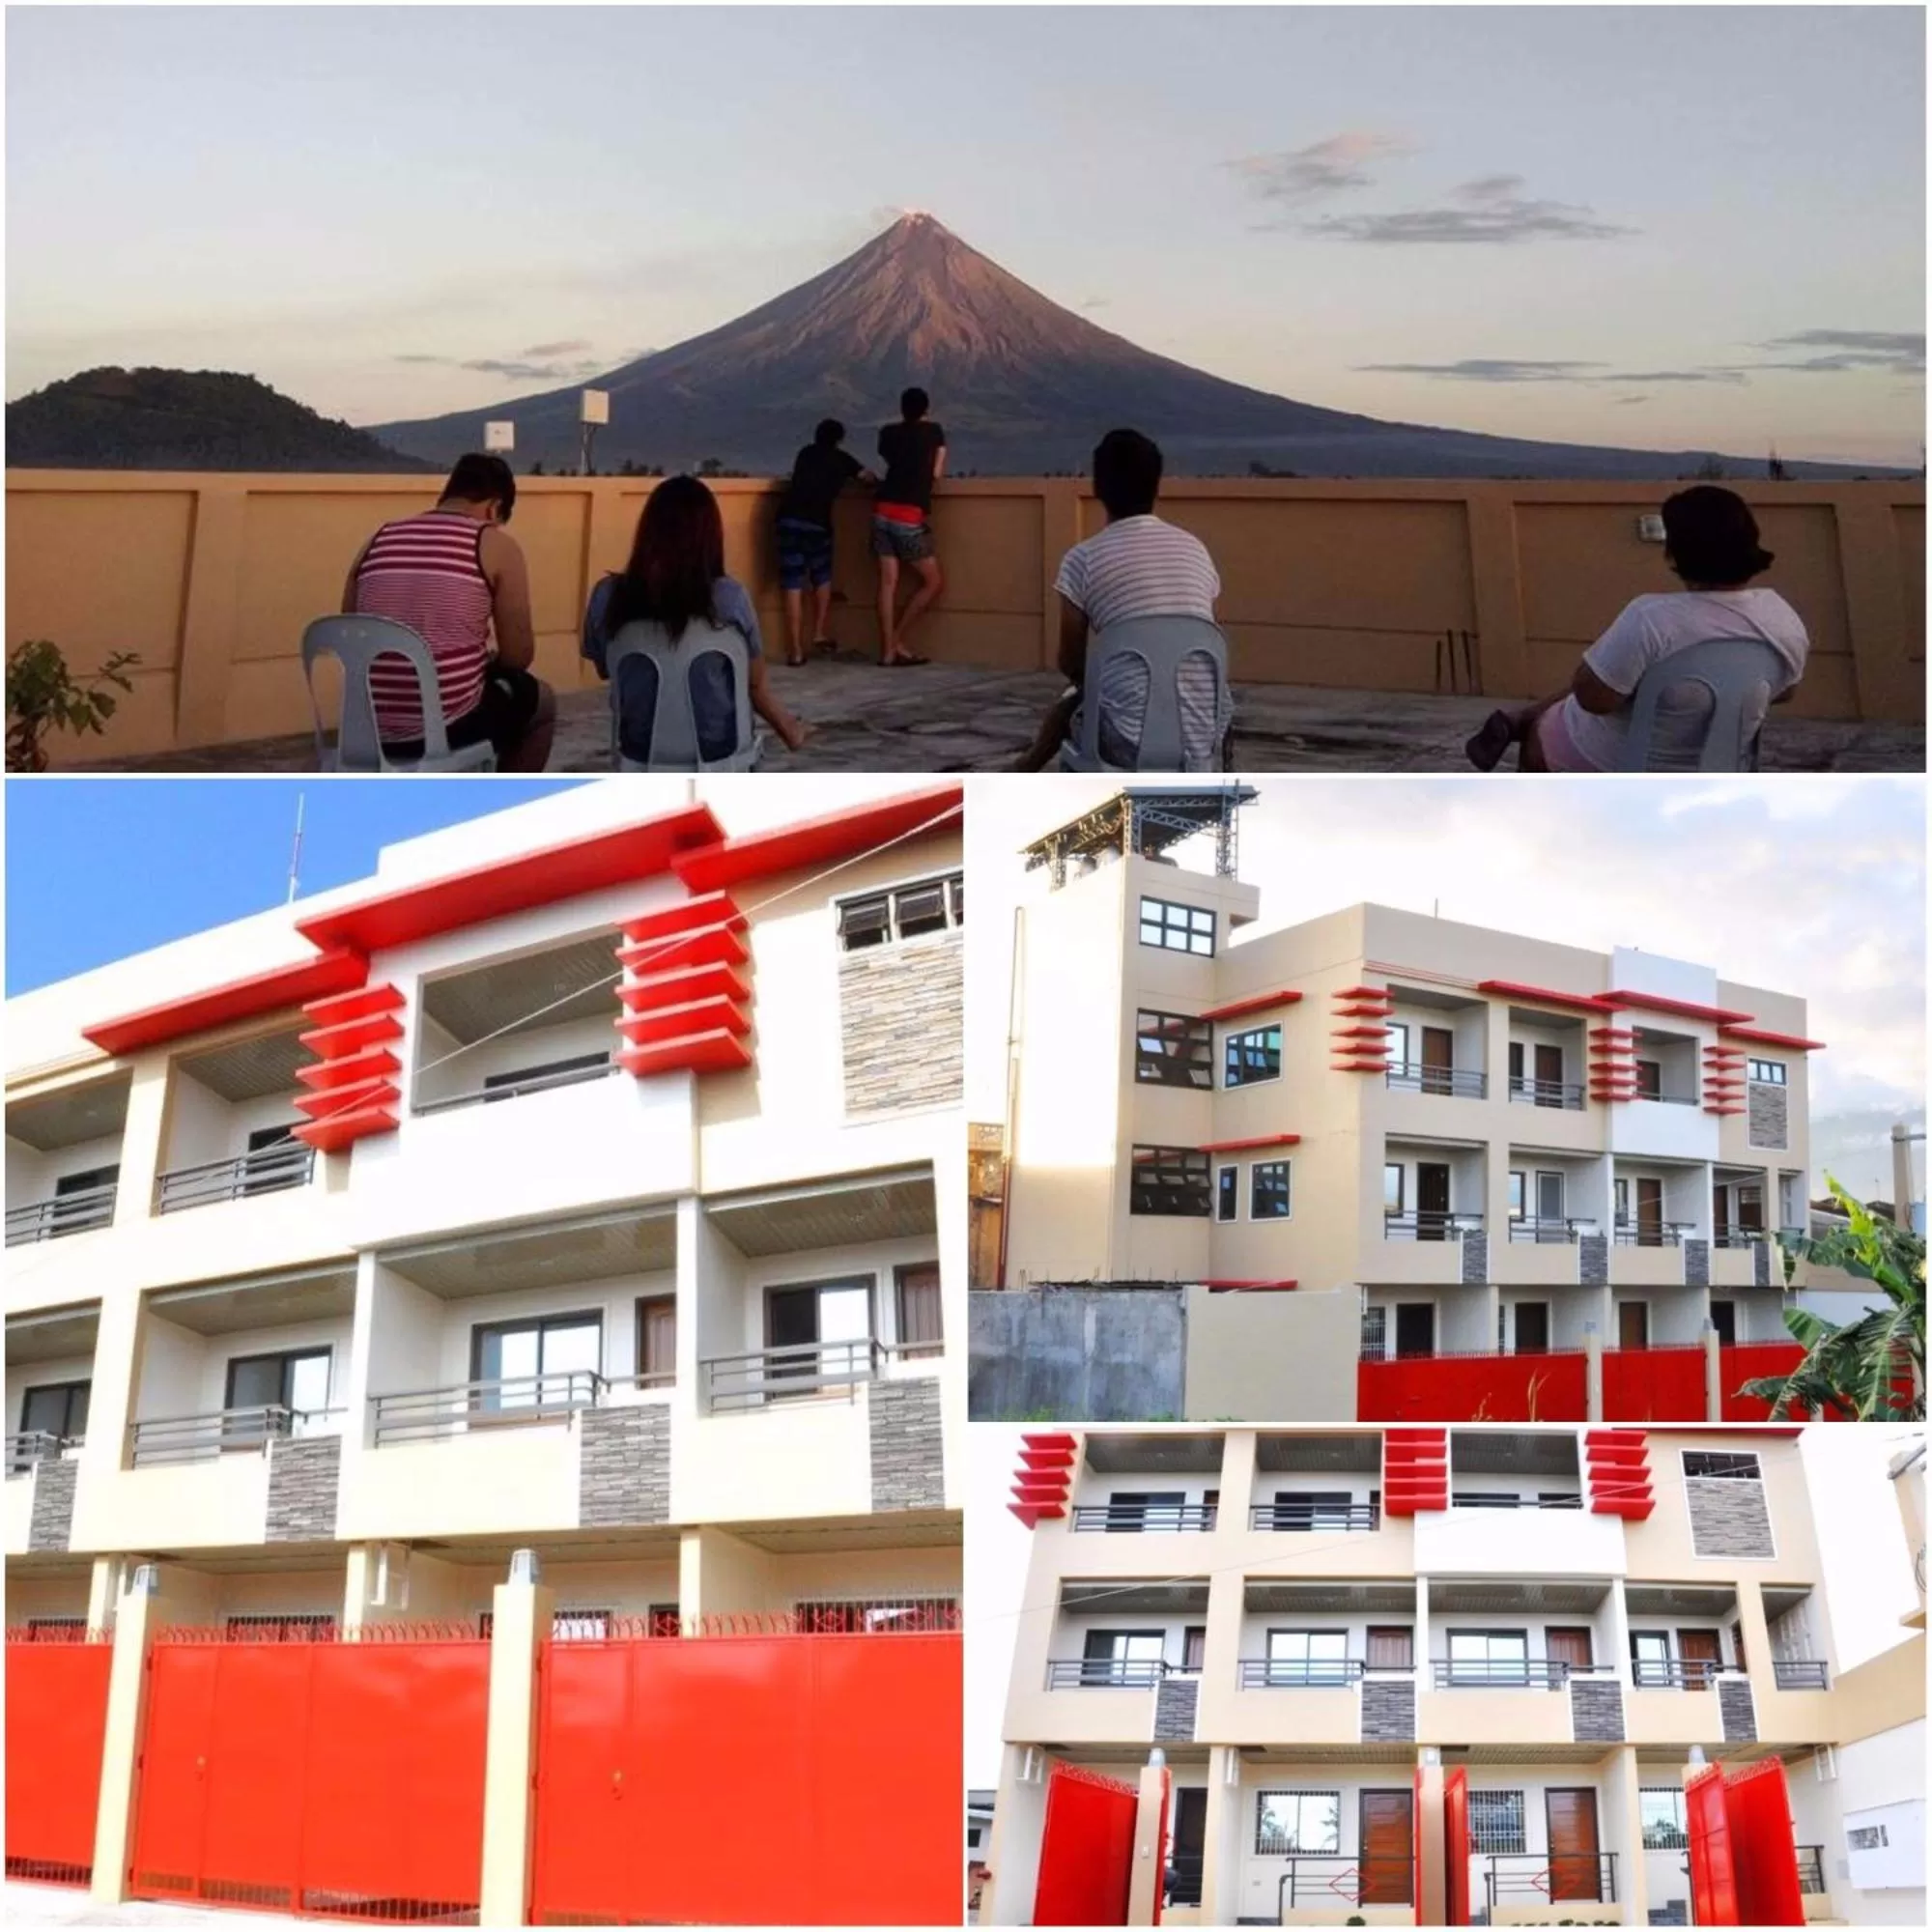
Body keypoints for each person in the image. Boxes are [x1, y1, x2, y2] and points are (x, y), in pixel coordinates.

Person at [1465, 485, 1809, 772]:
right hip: (1723, 765)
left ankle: (1525, 733)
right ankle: (1518, 718)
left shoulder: (1651, 618)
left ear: (1675, 553)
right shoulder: (1782, 617)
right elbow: (1784, 691)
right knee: (1622, 677)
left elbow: (1593, 700)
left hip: (1617, 764)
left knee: (1554, 722)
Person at [1016, 427, 1229, 770]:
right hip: (1201, 740)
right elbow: (1209, 633)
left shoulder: (1083, 559)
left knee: (1076, 704)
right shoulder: (1195, 549)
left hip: (1125, 744)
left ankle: (1028, 777)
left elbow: (1070, 661)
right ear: (1157, 485)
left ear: (1097, 487)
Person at [342, 452, 554, 770]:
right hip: (448, 728)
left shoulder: (377, 538)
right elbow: (519, 656)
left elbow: (351, 630)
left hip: (365, 727)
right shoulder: (493, 544)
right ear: (494, 507)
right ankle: (505, 806)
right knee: (542, 702)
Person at [582, 474, 808, 765]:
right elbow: (753, 683)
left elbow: (606, 669)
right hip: (720, 759)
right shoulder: (731, 598)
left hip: (639, 757)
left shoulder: (607, 597)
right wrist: (789, 727)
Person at [774, 419, 876, 664]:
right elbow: (867, 477)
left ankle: (796, 650)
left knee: (792, 585)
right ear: (839, 440)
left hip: (788, 520)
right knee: (821, 577)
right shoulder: (842, 460)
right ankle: (819, 632)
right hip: (817, 525)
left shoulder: (805, 453)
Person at [872, 386, 947, 665]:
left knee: (887, 584)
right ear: (926, 409)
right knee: (933, 582)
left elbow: (892, 460)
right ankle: (896, 640)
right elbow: (936, 472)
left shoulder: (888, 433)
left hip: (881, 511)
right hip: (908, 515)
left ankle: (887, 652)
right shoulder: (933, 432)